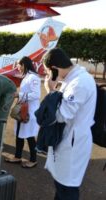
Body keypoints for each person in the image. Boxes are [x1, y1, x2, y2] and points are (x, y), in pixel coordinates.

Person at [42, 48, 97, 200]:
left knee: (67, 188)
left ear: (54, 69)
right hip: (69, 138)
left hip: (73, 142)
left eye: (48, 72)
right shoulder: (73, 79)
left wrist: (51, 91)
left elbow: (61, 115)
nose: (48, 76)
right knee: (61, 186)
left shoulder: (79, 82)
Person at [4, 56, 41, 168]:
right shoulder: (27, 77)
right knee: (19, 134)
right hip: (23, 110)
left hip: (29, 111)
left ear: (24, 64)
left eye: (19, 65)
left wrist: (18, 95)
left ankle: (33, 160)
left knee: (29, 136)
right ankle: (17, 156)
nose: (17, 67)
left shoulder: (33, 78)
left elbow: (36, 95)